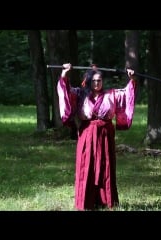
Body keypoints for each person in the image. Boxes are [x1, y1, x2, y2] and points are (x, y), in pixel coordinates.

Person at [57, 63, 136, 211]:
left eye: (99, 80)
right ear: (89, 81)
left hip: (105, 133)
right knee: (86, 165)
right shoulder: (80, 94)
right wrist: (64, 74)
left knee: (105, 165)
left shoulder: (111, 94)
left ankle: (106, 201)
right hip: (87, 132)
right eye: (94, 80)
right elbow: (66, 92)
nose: (97, 83)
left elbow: (127, 93)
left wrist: (131, 79)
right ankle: (85, 202)